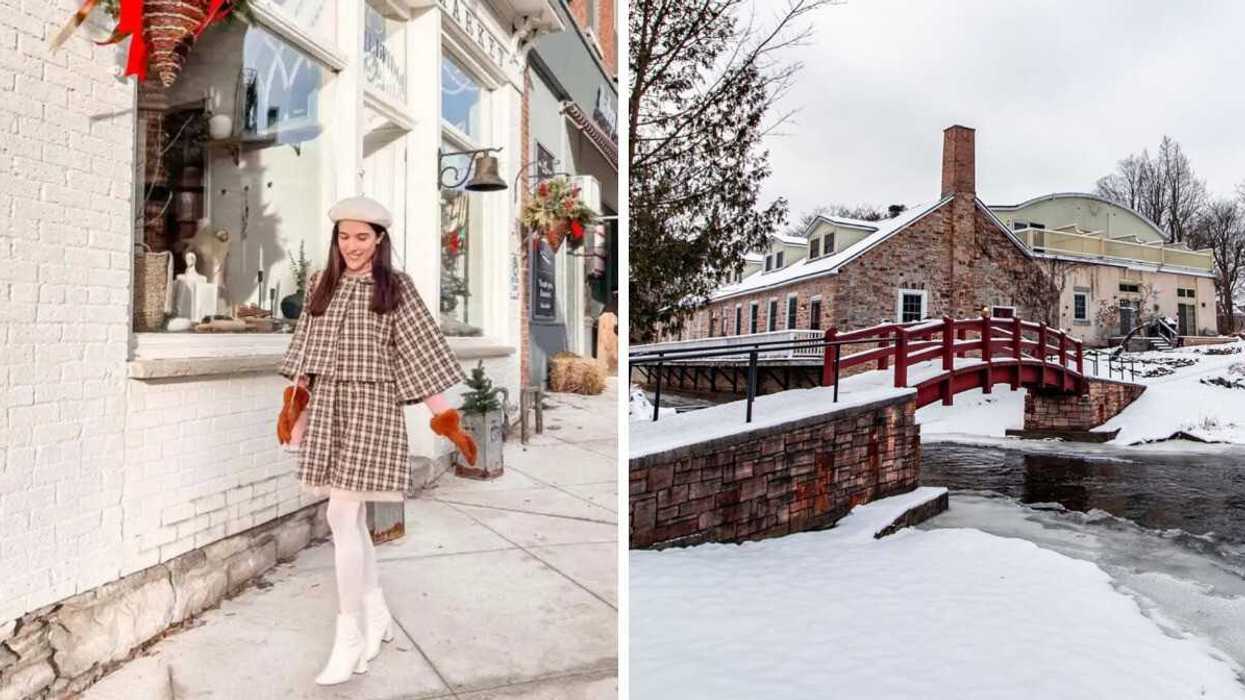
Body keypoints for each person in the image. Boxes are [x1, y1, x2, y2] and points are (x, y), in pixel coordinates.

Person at [277, 195, 477, 686]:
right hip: (329, 407)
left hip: (373, 409)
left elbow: (422, 355)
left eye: (362, 237)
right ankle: (376, 610)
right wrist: (294, 415)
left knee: (339, 514)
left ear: (380, 239)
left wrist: (448, 421)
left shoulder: (396, 288)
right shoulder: (321, 284)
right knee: (352, 518)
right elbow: (306, 355)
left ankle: (348, 635)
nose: (352, 246)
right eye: (344, 237)